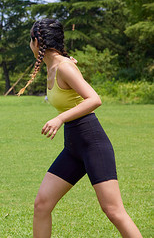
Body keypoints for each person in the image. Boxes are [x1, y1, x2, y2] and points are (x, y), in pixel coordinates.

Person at [18, 18, 142, 238]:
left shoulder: (64, 68)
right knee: (42, 205)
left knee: (113, 211)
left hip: (92, 143)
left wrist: (59, 119)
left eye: (31, 39)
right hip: (73, 147)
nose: (30, 44)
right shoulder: (56, 66)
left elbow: (94, 99)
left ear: (37, 42)